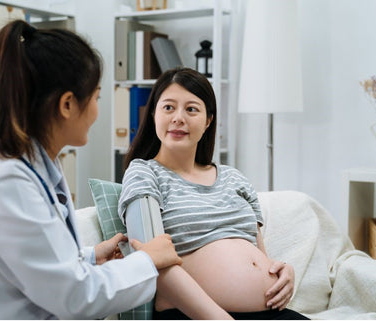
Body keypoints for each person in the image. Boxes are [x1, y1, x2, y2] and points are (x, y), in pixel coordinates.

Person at [0, 20, 183, 320]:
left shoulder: (33, 168)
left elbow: (34, 265)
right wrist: (147, 260)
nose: (97, 112)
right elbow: (75, 297)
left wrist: (91, 256)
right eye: (97, 97)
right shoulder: (2, 182)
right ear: (67, 104)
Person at [118, 67, 309, 320]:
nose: (178, 117)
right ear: (153, 114)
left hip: (268, 311)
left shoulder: (234, 178)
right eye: (168, 107)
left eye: (191, 109)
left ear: (208, 120)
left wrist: (283, 272)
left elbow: (260, 254)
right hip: (195, 315)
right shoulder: (144, 173)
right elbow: (152, 262)